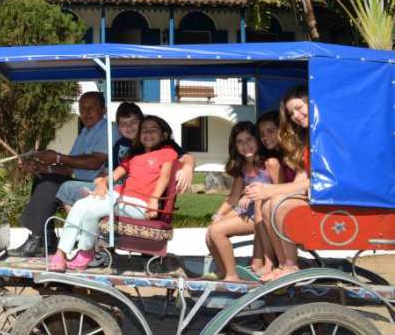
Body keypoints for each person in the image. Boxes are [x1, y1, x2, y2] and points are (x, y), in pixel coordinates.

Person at [49, 115, 179, 271]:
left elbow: (164, 178)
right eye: (144, 130)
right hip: (120, 198)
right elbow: (114, 175)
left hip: (141, 204)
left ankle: (85, 251)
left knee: (91, 209)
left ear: (164, 135)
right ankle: (62, 253)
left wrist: (154, 200)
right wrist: (103, 183)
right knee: (81, 204)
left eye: (153, 130)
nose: (148, 133)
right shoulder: (134, 156)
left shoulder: (167, 152)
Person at [8, 91, 115, 257]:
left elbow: (94, 162)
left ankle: (36, 239)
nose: (86, 113)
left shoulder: (108, 129)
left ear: (104, 110)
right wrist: (42, 168)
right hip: (80, 179)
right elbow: (70, 167)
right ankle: (47, 237)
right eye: (82, 108)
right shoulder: (86, 132)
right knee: (44, 179)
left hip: (100, 185)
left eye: (91, 108)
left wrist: (57, 157)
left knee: (49, 186)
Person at [55, 101, 195, 212]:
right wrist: (101, 181)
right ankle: (83, 235)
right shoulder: (120, 144)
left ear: (141, 121)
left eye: (133, 122)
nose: (129, 127)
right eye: (123, 124)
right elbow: (110, 172)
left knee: (70, 190)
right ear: (118, 127)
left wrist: (188, 167)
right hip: (114, 188)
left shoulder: (154, 142)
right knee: (67, 189)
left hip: (134, 194)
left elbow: (185, 156)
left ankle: (86, 236)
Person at [244, 85, 311, 281]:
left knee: (277, 202)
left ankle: (290, 265)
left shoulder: (321, 136)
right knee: (269, 203)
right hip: (308, 193)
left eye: (299, 108)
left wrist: (271, 189)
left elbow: (311, 182)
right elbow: (302, 178)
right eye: (292, 113)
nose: (296, 116)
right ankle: (282, 263)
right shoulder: (306, 139)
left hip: (326, 197)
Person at [205, 122, 280, 281]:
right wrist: (218, 214)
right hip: (247, 211)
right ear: (235, 145)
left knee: (217, 231)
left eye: (249, 139)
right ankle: (222, 270)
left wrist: (253, 193)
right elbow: (233, 197)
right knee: (211, 231)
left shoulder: (270, 163)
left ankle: (232, 276)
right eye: (240, 141)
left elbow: (279, 191)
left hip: (263, 212)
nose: (246, 145)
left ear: (258, 140)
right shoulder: (243, 167)